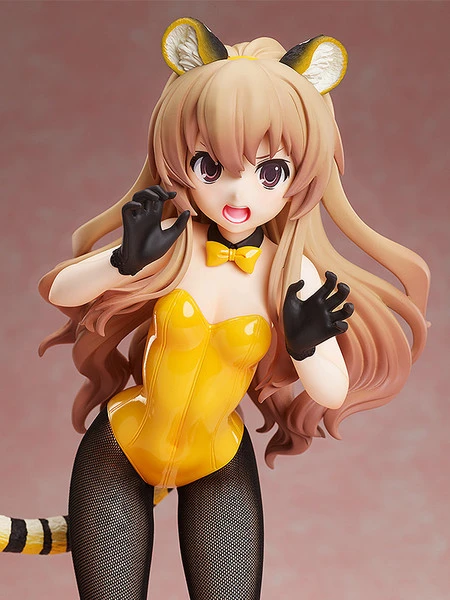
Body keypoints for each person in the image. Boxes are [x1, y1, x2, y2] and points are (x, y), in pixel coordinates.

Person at [37, 18, 429, 600]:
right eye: (210, 167)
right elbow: (62, 291)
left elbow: (331, 391)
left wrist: (306, 345)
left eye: (270, 172)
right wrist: (123, 261)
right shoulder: (172, 242)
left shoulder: (289, 272)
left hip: (218, 458)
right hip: (122, 446)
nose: (238, 195)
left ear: (300, 175)